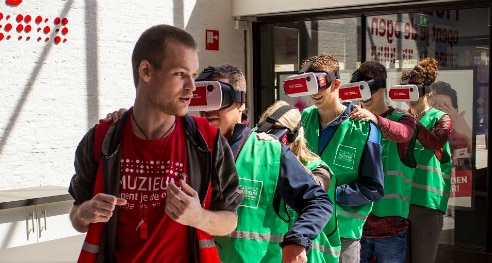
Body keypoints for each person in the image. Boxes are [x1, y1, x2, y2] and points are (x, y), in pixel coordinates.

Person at [104, 64, 333, 263]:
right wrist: (128, 122)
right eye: (201, 99)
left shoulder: (269, 154)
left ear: (241, 103)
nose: (209, 109)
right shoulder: (181, 147)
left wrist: (297, 240)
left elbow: (318, 203)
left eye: (218, 98)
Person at [67, 24, 243, 263]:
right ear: (147, 71)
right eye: (181, 74)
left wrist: (198, 217)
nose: (192, 87)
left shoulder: (207, 141)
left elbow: (230, 219)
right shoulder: (102, 140)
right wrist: (86, 212)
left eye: (193, 75)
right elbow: (76, 218)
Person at [297, 53, 385, 263]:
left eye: (321, 86)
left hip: (343, 235)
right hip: (305, 231)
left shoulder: (364, 127)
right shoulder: (301, 120)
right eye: (310, 87)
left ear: (336, 83)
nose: (315, 93)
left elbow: (373, 188)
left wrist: (330, 193)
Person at [347, 61, 417, 263]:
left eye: (369, 90)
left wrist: (376, 119)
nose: (365, 97)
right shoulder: (353, 121)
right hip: (357, 223)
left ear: (382, 89)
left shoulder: (403, 118)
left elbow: (403, 134)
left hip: (391, 227)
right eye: (360, 90)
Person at [256, 100, 340, 263]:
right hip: (271, 255)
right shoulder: (261, 163)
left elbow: (317, 185)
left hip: (308, 256)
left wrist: (283, 157)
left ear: (295, 135)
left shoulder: (318, 167)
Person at [401, 57, 453, 263]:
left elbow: (435, 141)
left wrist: (410, 123)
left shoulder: (441, 118)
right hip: (400, 203)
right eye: (406, 90)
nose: (410, 96)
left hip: (427, 206)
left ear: (429, 92)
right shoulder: (398, 119)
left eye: (415, 90)